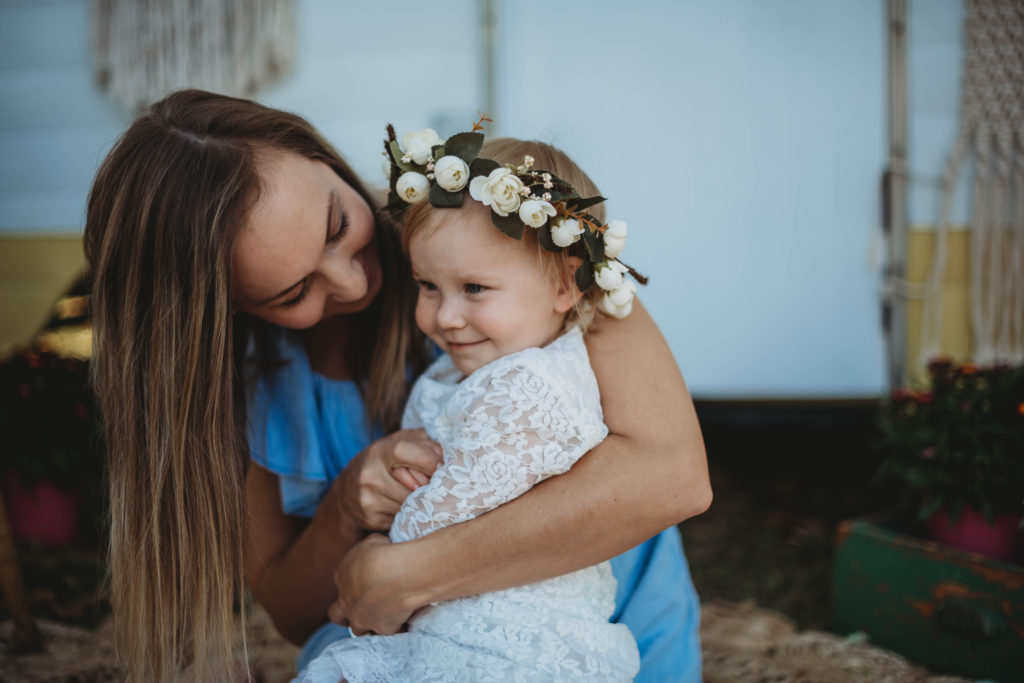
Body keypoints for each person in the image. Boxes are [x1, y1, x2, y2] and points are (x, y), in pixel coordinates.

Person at [84, 90, 711, 682]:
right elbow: (295, 614)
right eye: (293, 292)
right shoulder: (248, 390)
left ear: (322, 158)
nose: (353, 284)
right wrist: (345, 509)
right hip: (415, 642)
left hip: (592, 624)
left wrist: (411, 573)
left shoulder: (505, 236)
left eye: (336, 227)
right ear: (232, 310)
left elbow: (673, 476)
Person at [299, 133, 649, 681]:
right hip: (460, 613)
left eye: (475, 288)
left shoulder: (527, 385)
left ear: (565, 285)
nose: (445, 317)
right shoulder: (485, 364)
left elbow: (453, 511)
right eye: (428, 286)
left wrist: (369, 567)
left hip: (505, 641)